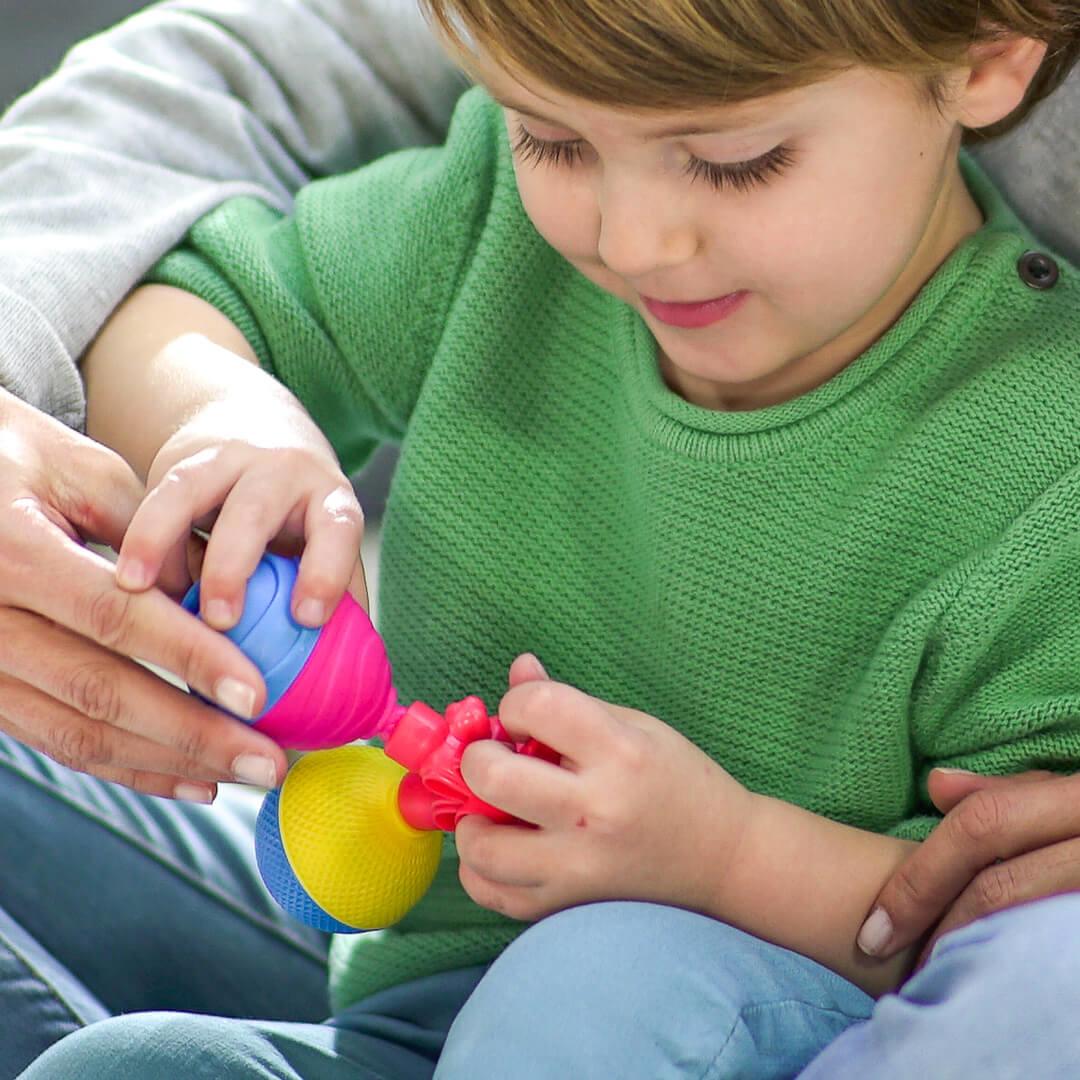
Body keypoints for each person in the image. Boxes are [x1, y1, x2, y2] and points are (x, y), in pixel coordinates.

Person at [1, 1, 1080, 1077]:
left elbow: (1000, 913)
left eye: (738, 163)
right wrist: (221, 415)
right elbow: (188, 300)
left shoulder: (1047, 451)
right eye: (555, 141)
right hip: (414, 1017)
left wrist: (727, 858)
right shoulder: (493, 225)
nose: (631, 239)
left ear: (989, 59)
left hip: (760, 1027)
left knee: (592, 981)